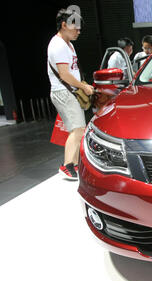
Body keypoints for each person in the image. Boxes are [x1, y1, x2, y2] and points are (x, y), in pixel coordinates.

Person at [47, 8, 94, 180]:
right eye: (76, 27)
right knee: (78, 129)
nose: (78, 31)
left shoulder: (68, 44)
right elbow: (64, 74)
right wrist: (84, 88)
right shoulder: (58, 45)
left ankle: (73, 163)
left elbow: (71, 71)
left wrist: (82, 85)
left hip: (69, 91)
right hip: (63, 92)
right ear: (64, 25)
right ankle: (67, 166)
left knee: (77, 129)